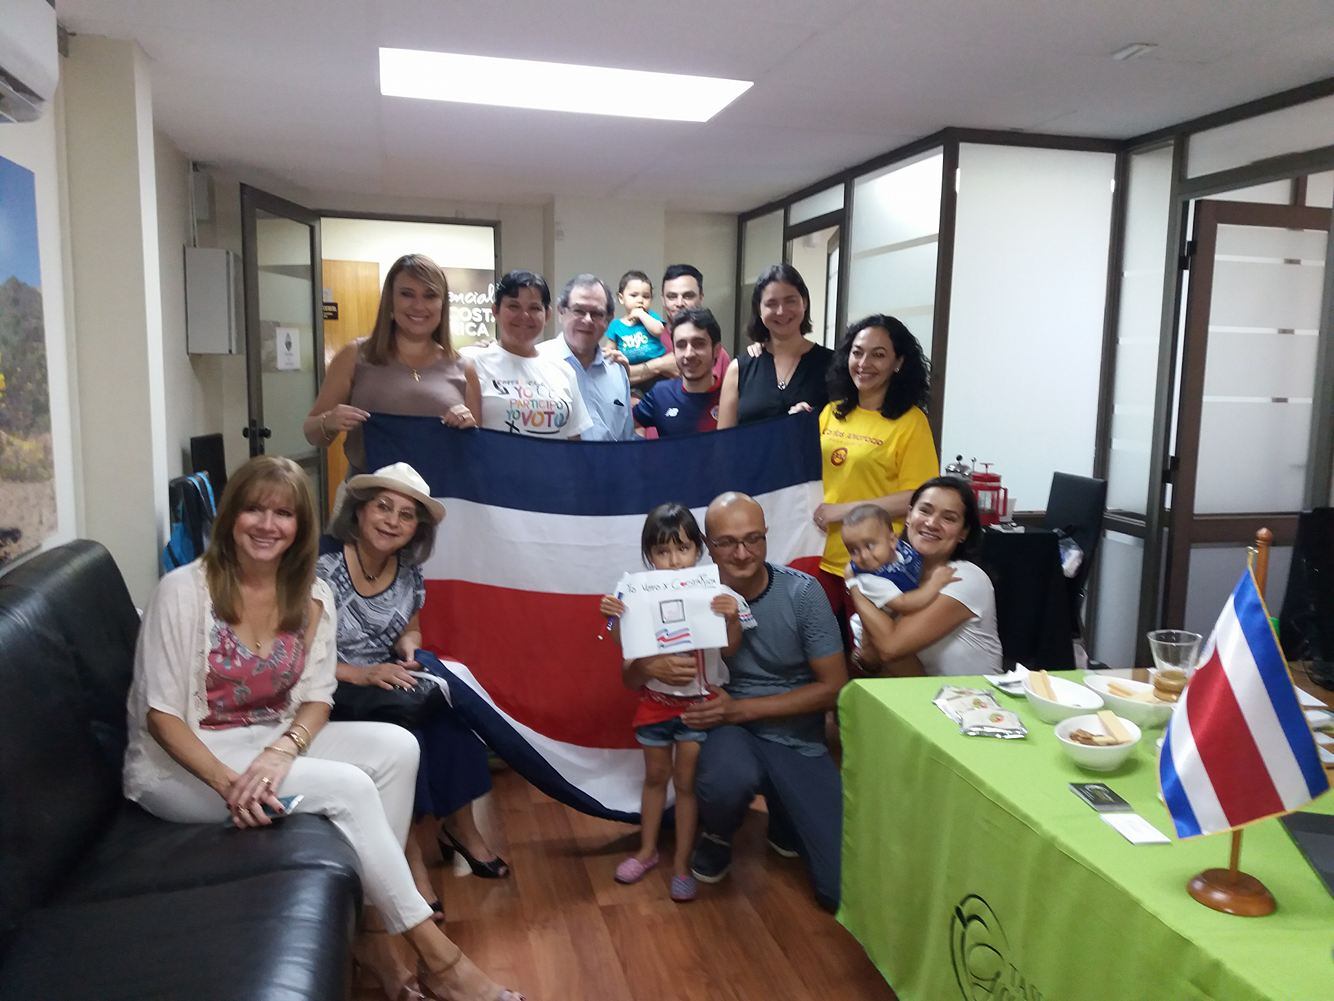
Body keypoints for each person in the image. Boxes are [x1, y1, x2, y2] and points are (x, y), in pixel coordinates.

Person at [122, 456, 525, 1001]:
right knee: (351, 787)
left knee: (398, 747)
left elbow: (317, 697)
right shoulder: (183, 591)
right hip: (185, 765)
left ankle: (370, 928)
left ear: (300, 526)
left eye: (283, 514)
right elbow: (162, 717)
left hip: (265, 737)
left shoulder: (312, 596)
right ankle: (439, 959)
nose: (268, 525)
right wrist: (228, 783)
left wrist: (283, 751)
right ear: (231, 516)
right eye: (254, 510)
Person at [626, 492, 847, 910]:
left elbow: (835, 688)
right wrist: (650, 665)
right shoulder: (683, 593)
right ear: (708, 546)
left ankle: (784, 817)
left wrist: (740, 708)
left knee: (839, 888)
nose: (742, 553)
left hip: (794, 735)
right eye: (727, 542)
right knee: (720, 779)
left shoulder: (803, 593)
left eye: (753, 539)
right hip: (726, 731)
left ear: (766, 536)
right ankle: (718, 831)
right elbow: (633, 672)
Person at [317, 462, 510, 913]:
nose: (392, 521)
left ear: (416, 529)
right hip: (331, 685)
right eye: (383, 507)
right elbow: (299, 656)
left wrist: (408, 647)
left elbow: (411, 628)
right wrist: (361, 674)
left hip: (385, 678)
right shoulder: (324, 568)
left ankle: (462, 829)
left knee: (453, 720)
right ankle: (408, 859)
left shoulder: (407, 571)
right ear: (359, 511)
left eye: (406, 515)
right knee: (408, 738)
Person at [600, 503, 753, 902]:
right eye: (662, 551)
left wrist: (731, 618)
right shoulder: (635, 592)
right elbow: (622, 643)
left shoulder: (719, 592)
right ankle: (647, 851)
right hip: (654, 703)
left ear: (698, 550)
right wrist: (613, 615)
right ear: (649, 555)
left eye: (682, 548)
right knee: (654, 778)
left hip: (697, 707)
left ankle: (683, 863)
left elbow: (731, 649)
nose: (673, 560)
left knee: (686, 784)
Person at [811, 314, 938, 633]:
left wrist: (843, 511)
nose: (864, 363)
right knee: (819, 648)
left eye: (878, 355)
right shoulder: (831, 412)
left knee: (870, 651)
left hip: (875, 561)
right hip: (819, 554)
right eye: (857, 352)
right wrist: (796, 427)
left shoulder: (911, 422)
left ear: (898, 363)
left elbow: (919, 497)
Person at [305, 254, 480, 478]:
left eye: (430, 295)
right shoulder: (355, 356)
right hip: (366, 495)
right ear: (390, 299)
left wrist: (468, 425)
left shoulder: (464, 368)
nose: (418, 305)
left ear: (442, 304)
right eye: (407, 294)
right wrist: (328, 422)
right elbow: (312, 433)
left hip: (442, 495)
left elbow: (476, 450)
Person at [849, 477, 1004, 677]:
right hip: (924, 692)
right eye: (925, 511)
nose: (932, 523)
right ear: (908, 516)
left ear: (963, 533)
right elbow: (874, 660)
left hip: (975, 695)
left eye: (949, 518)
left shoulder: (964, 578)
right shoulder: (892, 579)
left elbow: (890, 648)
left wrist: (855, 583)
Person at [471, 270, 592, 439]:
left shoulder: (564, 370)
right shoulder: (473, 363)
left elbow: (574, 442)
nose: (524, 316)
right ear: (495, 310)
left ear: (547, 314)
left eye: (534, 308)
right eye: (513, 306)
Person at [717, 264, 834, 428]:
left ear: (805, 303)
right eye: (771, 303)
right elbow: (724, 440)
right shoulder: (739, 369)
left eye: (790, 301)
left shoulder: (832, 364)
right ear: (759, 309)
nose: (781, 311)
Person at [839, 503, 958, 656]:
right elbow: (904, 603)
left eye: (869, 545)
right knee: (904, 662)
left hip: (899, 618)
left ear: (892, 540)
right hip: (875, 633)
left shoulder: (902, 549)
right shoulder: (869, 579)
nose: (864, 556)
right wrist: (934, 584)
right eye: (853, 550)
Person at [538, 274, 634, 440]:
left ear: (608, 319)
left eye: (597, 313)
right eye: (579, 311)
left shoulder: (617, 371)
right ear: (561, 312)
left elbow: (626, 439)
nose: (588, 320)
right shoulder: (536, 363)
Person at [622, 264, 731, 391]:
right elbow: (614, 377)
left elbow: (729, 396)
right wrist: (659, 365)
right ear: (663, 300)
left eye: (688, 296)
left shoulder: (716, 352)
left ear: (701, 297)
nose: (679, 303)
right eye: (672, 296)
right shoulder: (643, 336)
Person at [632, 307, 724, 437]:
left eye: (699, 344)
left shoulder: (730, 397)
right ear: (674, 351)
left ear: (716, 350)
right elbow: (622, 425)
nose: (689, 354)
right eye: (681, 345)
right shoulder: (661, 394)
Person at [605, 270, 668, 378]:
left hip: (658, 374)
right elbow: (609, 351)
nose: (640, 300)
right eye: (634, 295)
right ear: (621, 298)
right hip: (632, 372)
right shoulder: (616, 325)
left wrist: (641, 314)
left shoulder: (651, 317)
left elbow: (659, 330)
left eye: (646, 296)